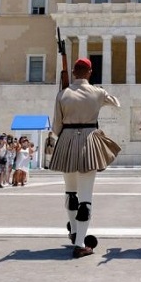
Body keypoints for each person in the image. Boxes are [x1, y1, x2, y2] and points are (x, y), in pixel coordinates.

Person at [50, 58, 122, 258]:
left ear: (73, 72)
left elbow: (56, 126)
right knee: (85, 197)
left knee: (70, 192)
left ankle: (74, 230)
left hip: (66, 141)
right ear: (90, 72)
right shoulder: (98, 92)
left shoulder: (62, 94)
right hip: (89, 141)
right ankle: (80, 242)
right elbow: (116, 103)